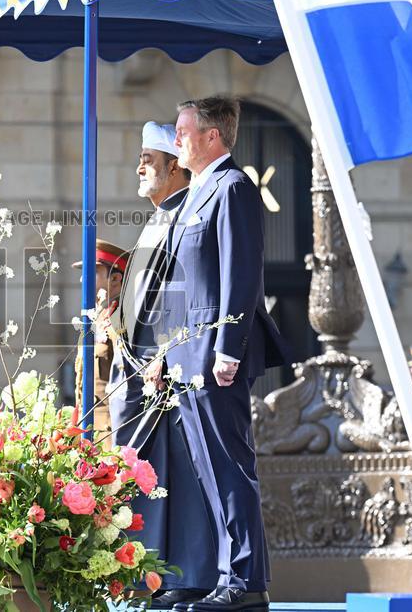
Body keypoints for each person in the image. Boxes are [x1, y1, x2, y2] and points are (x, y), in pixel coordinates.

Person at [163, 97, 290, 611]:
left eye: (182, 130)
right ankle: (225, 573)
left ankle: (245, 579)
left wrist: (228, 349)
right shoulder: (197, 190)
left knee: (230, 464)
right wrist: (170, 354)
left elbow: (240, 277)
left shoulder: (231, 187)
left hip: (216, 356)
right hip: (189, 355)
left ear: (213, 136)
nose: (176, 140)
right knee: (207, 467)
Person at [108, 120, 219, 609]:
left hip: (160, 374)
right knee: (146, 477)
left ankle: (180, 575)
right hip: (138, 372)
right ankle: (146, 575)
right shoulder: (158, 217)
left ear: (175, 167)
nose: (139, 168)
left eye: (149, 161)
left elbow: (185, 295)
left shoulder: (181, 217)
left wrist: (165, 353)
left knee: (172, 477)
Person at [72, 238, 128, 435]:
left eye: (92, 272)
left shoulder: (122, 320)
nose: (82, 279)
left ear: (115, 279)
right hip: (89, 428)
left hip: (111, 432)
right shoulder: (98, 318)